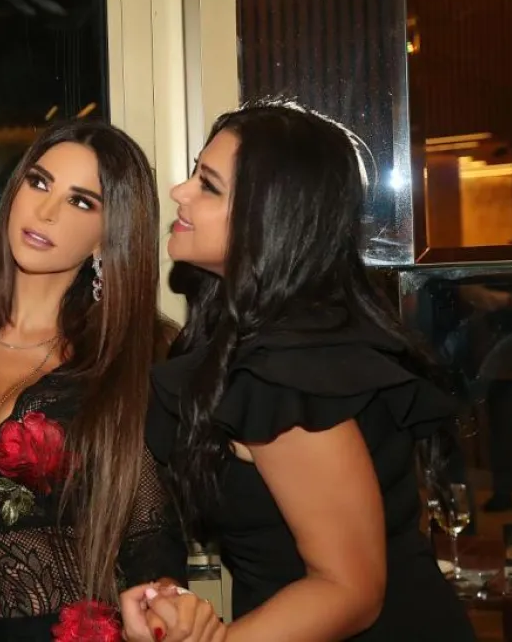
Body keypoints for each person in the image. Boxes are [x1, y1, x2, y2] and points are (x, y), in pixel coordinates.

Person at [123, 100, 476, 641]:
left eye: (208, 185)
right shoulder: (296, 340)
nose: (179, 192)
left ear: (272, 218)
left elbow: (348, 589)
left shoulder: (288, 371)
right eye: (195, 173)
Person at [0, 120, 204, 641]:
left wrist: (165, 604)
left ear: (108, 236)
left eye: (81, 202)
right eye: (39, 182)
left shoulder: (137, 356)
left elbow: (150, 531)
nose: (45, 211)